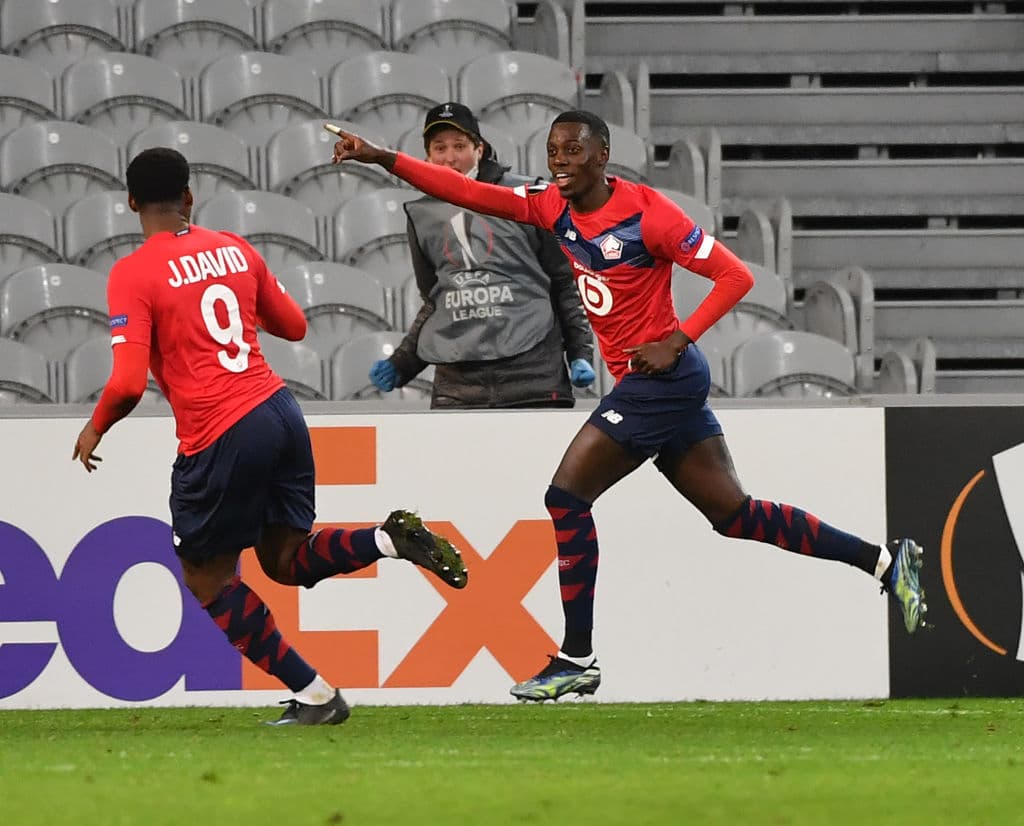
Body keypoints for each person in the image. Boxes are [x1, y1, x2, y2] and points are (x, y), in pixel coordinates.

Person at [328, 110, 928, 702]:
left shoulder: (649, 215)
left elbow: (735, 276)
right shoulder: (549, 206)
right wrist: (380, 155)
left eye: (571, 151)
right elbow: (460, 187)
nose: (559, 162)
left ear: (601, 155)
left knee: (564, 497)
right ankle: (886, 562)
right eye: (553, 152)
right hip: (644, 384)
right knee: (736, 515)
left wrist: (678, 338)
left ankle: (577, 658)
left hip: (665, 379)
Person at [72, 147, 467, 724]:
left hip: (221, 429)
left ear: (130, 203)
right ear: (189, 196)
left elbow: (129, 383)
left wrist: (94, 426)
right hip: (280, 410)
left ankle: (314, 695)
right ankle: (388, 541)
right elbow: (295, 325)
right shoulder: (233, 248)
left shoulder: (132, 274)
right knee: (286, 559)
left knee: (207, 579)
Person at [368, 102, 596, 408]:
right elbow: (437, 299)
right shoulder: (421, 214)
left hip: (534, 378)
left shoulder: (529, 196)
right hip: (457, 389)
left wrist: (581, 353)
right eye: (440, 148)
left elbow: (564, 283)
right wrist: (402, 363)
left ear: (480, 149)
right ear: (427, 157)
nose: (450, 157)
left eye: (460, 145)